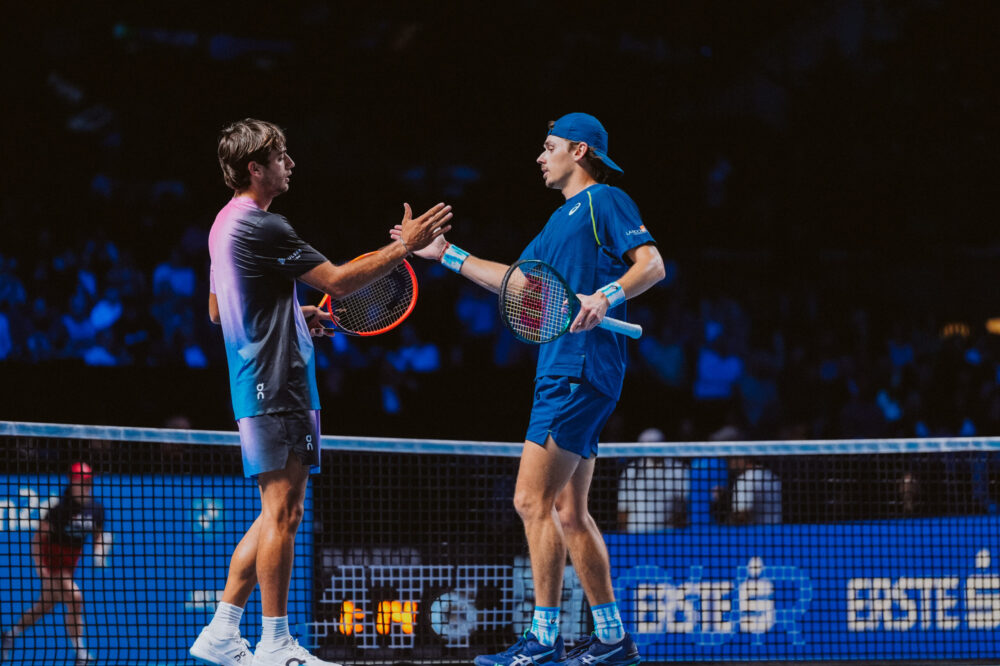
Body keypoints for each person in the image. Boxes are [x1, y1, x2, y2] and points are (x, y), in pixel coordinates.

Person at [397, 113, 664, 666]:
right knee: (568, 510)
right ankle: (612, 638)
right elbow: (519, 283)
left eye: (549, 147)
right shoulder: (556, 224)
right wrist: (444, 254)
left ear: (581, 151)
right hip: (569, 369)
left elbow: (652, 264)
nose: (540, 157)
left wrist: (607, 295)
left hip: (578, 367)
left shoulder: (604, 202)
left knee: (529, 499)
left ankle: (544, 640)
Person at [188, 118, 452, 666]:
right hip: (277, 382)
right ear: (254, 168)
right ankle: (275, 642)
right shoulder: (265, 226)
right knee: (283, 513)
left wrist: (292, 316)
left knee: (273, 513)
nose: (290, 163)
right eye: (280, 155)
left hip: (256, 377)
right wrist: (406, 247)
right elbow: (338, 281)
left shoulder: (223, 225)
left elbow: (218, 310)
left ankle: (221, 631)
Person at [2, 462, 110, 666]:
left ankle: (10, 635)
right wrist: (40, 567)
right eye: (82, 481)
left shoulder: (96, 509)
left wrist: (100, 550)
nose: (86, 485)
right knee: (76, 598)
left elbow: (98, 535)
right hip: (53, 564)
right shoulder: (60, 510)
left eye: (89, 481)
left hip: (70, 566)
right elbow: (38, 539)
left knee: (44, 606)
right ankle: (80, 653)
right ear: (72, 482)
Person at [617, 428, 690, 532]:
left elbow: (687, 506)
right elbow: (623, 509)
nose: (652, 450)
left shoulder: (679, 470)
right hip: (635, 535)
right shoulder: (631, 471)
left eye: (655, 444)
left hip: (669, 536)